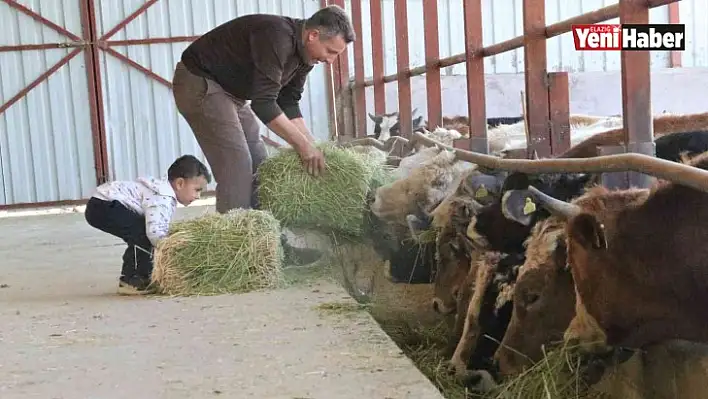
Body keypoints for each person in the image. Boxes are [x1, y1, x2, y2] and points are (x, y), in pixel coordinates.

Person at [172, 5, 355, 215]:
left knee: (260, 163)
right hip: (200, 81)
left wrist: (312, 145)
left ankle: (265, 228)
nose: (330, 60)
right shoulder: (276, 36)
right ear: (313, 35)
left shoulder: (306, 56)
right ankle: (236, 237)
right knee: (238, 164)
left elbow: (288, 101)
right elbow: (264, 103)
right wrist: (304, 148)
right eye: (330, 51)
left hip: (232, 93)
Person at [84, 155, 211, 295]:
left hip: (101, 203)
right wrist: (171, 246)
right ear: (180, 184)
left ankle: (142, 276)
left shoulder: (162, 193)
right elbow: (155, 232)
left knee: (141, 233)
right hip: (104, 206)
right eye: (197, 190)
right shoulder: (162, 197)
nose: (198, 196)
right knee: (142, 235)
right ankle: (131, 280)